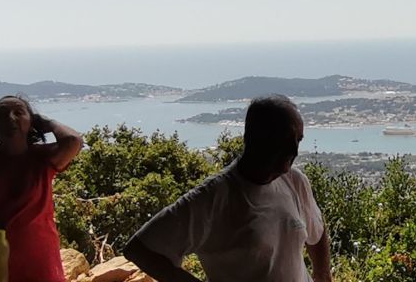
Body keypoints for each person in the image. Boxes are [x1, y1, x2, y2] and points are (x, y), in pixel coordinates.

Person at [123, 94, 333, 282]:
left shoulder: (295, 181)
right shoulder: (213, 198)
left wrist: (322, 275)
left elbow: (317, 233)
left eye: (298, 140)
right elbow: (139, 250)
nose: (294, 150)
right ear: (256, 138)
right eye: (285, 140)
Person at [0, 96, 85, 282]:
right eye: (2, 114)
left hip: (38, 263)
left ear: (31, 122)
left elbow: (73, 141)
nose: (10, 118)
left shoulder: (42, 159)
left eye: (18, 112)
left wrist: (45, 122)